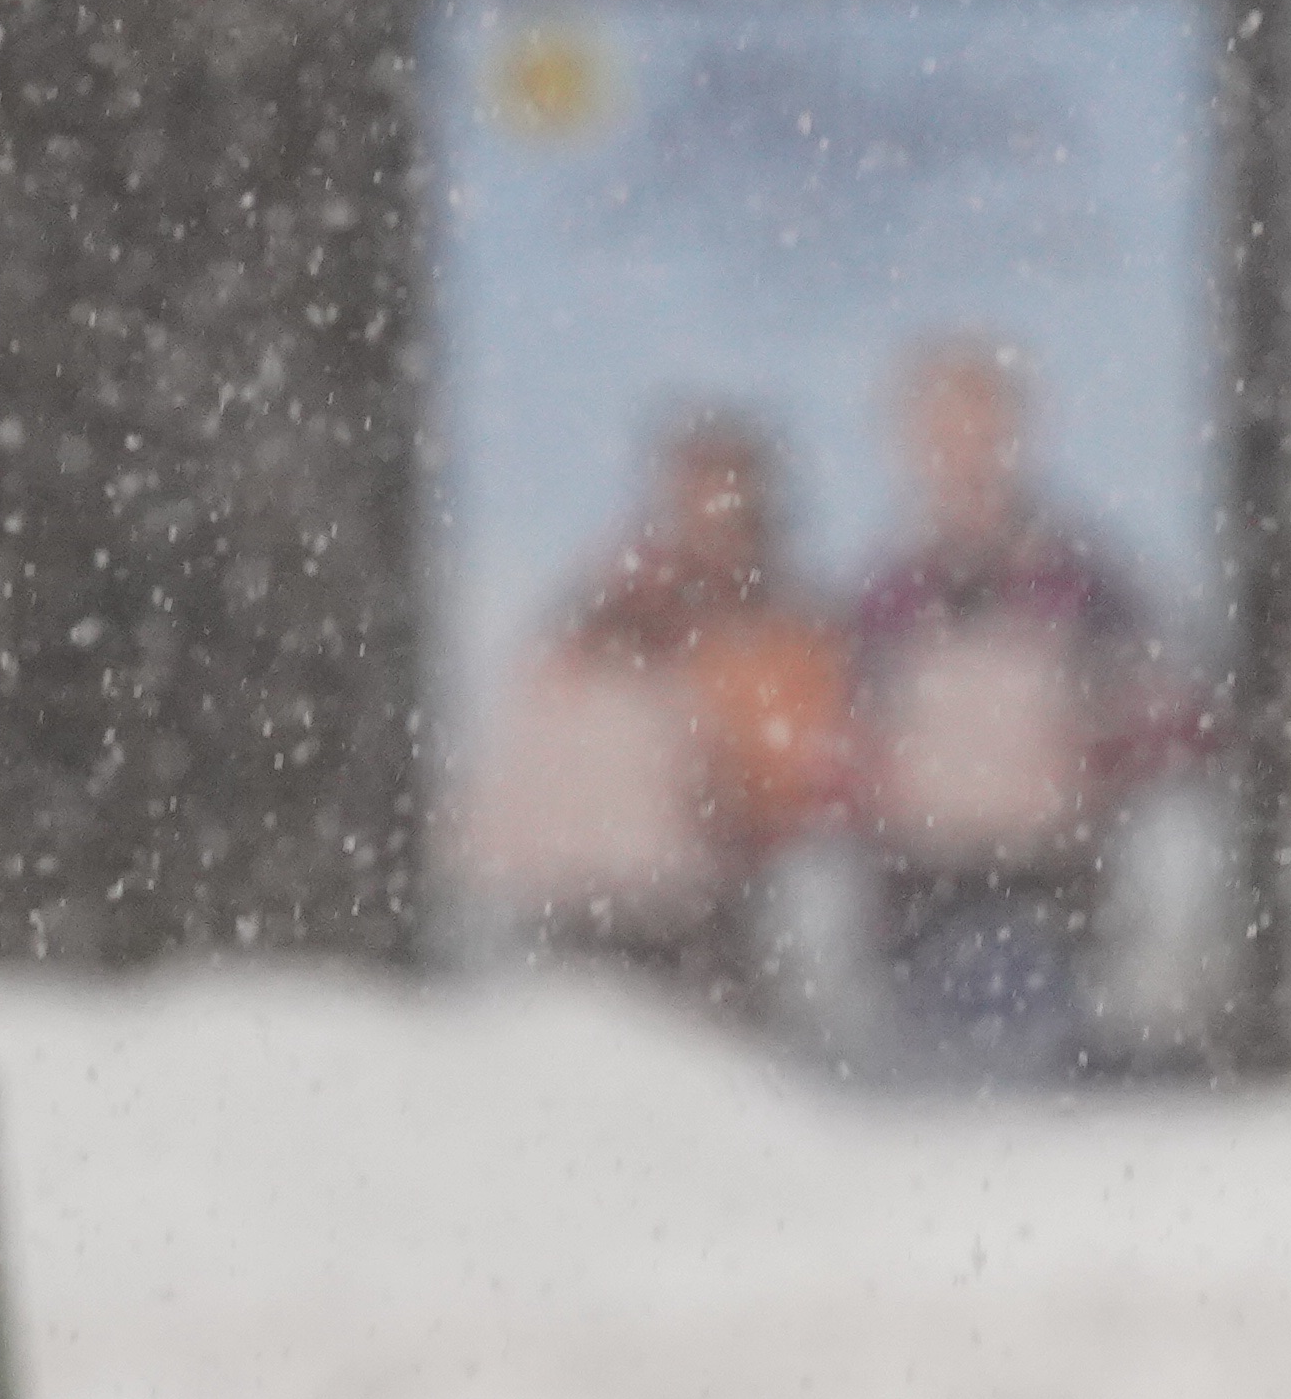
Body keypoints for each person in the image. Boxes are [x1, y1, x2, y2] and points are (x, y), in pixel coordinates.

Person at [836, 335, 1200, 1077]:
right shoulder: (883, 598)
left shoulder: (1087, 581)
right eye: (940, 426)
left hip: (1056, 880)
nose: (960, 447)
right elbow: (842, 742)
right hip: (916, 885)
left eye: (977, 423)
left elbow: (1161, 714)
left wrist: (1094, 759)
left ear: (1015, 432)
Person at [481, 409, 849, 1025]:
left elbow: (800, 778)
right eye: (696, 499)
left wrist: (721, 786)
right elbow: (547, 741)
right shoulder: (609, 615)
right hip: (588, 896)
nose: (712, 523)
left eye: (728, 501)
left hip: (720, 905)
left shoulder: (791, 632)